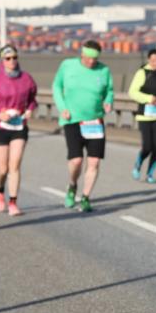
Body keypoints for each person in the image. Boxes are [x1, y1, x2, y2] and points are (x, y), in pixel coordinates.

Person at [51, 39, 114, 213]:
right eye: (88, 58)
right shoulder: (67, 65)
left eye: (95, 59)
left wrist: (108, 101)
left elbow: (109, 91)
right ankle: (72, 186)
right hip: (72, 120)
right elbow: (57, 86)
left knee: (94, 162)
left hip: (95, 122)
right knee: (76, 160)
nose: (91, 62)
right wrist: (62, 108)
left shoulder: (104, 70)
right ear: (82, 54)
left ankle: (85, 197)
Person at [0, 45, 37, 217]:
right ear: (2, 60)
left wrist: (30, 109)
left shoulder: (27, 78)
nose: (11, 61)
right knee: (3, 168)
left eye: (14, 57)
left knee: (15, 165)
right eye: (7, 58)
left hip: (19, 127)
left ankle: (13, 202)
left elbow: (33, 100)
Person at [129, 48, 156, 184]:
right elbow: (132, 92)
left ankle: (150, 174)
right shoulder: (142, 73)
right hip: (145, 116)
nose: (155, 63)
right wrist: (149, 98)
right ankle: (138, 163)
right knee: (147, 146)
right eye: (153, 60)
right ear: (149, 60)